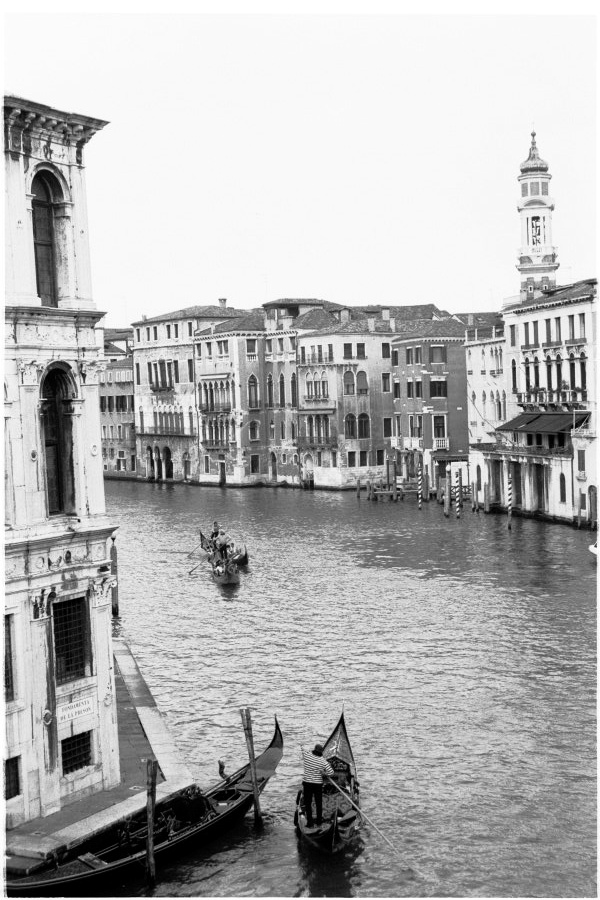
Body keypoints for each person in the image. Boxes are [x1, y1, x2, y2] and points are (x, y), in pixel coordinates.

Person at [301, 743, 334, 828]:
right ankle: (319, 822)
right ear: (321, 752)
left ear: (314, 750)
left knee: (307, 803)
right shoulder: (323, 761)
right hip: (317, 785)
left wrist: (303, 747)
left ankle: (310, 823)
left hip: (307, 783)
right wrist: (324, 773)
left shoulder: (306, 756)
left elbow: (303, 748)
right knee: (318, 803)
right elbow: (331, 772)